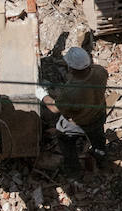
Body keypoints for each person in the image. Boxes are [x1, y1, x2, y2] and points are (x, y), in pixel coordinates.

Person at [39, 46, 109, 175]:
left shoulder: (70, 91)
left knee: (64, 138)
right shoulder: (100, 71)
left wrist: (43, 95)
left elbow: (55, 109)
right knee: (98, 138)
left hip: (79, 122)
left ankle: (73, 169)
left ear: (70, 67)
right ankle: (101, 158)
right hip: (98, 114)